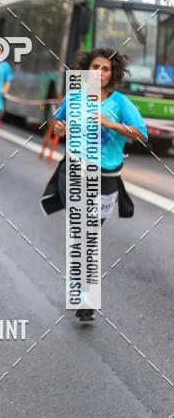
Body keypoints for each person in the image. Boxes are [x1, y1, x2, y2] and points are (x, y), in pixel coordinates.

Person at [41, 47, 148, 323]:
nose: (99, 73)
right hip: (75, 172)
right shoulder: (75, 97)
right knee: (82, 232)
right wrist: (59, 128)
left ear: (113, 75)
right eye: (95, 67)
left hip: (107, 177)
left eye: (106, 69)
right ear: (86, 70)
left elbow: (141, 135)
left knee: (91, 234)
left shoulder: (120, 102)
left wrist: (109, 123)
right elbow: (57, 122)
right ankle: (84, 294)